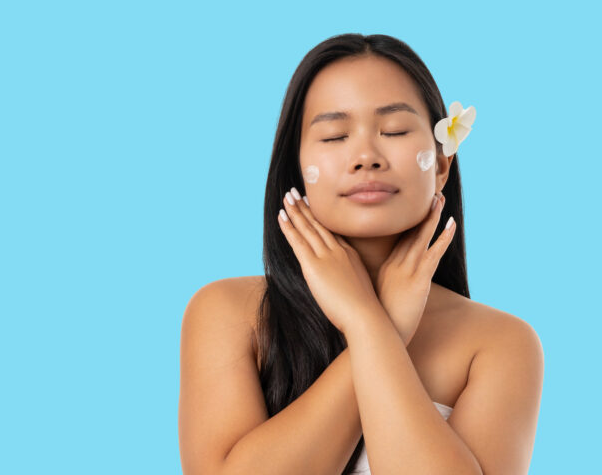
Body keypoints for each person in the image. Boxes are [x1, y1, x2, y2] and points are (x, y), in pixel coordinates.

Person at [179, 33, 544, 475]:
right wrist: (378, 322)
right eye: (334, 136)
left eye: (394, 130)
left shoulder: (501, 344)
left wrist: (367, 324)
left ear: (442, 164)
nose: (365, 156)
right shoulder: (229, 312)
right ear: (297, 170)